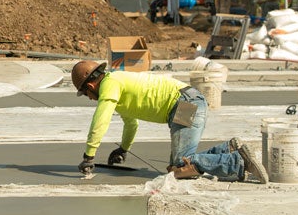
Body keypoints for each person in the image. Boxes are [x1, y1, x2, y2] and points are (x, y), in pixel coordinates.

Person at [71, 60, 268, 184]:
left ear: (90, 85)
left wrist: (89, 155)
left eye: (86, 94)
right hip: (187, 101)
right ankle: (228, 148)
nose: (89, 98)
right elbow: (131, 123)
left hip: (184, 104)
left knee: (180, 167)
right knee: (181, 165)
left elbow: (100, 119)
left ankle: (237, 162)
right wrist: (123, 148)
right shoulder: (117, 84)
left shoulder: (109, 85)